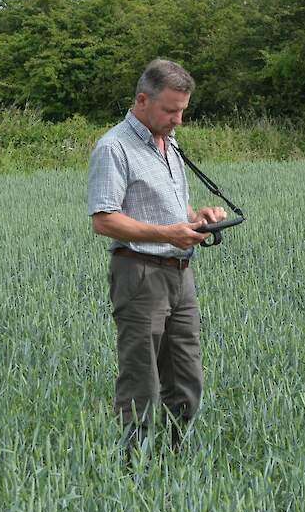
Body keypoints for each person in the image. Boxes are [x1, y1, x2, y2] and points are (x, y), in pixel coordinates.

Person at [87, 59, 226, 462]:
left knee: (187, 378)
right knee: (142, 379)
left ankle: (176, 460)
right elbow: (104, 220)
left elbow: (170, 212)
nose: (178, 119)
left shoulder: (170, 142)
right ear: (142, 100)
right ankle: (132, 467)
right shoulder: (114, 147)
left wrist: (197, 218)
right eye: (170, 110)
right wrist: (168, 234)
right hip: (139, 274)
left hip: (180, 275)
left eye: (183, 110)